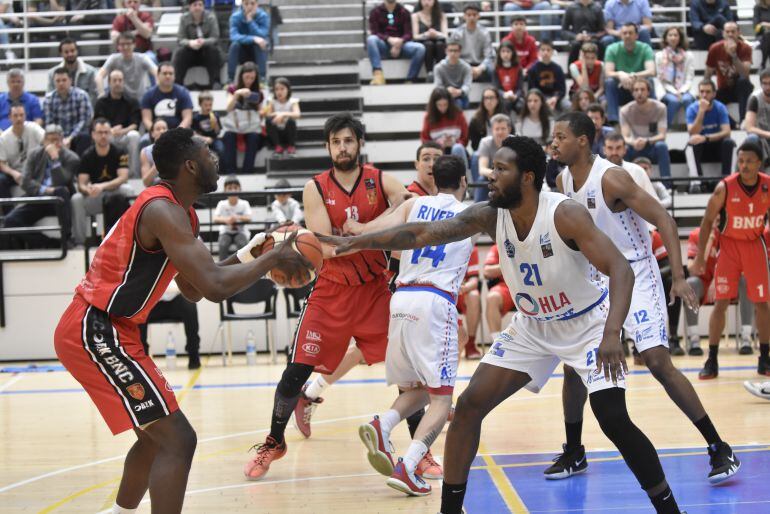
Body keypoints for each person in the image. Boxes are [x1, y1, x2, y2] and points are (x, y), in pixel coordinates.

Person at [320, 134, 686, 514]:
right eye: (492, 167)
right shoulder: (490, 214)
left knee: (613, 419)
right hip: (532, 326)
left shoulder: (565, 214)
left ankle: (669, 508)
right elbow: (422, 233)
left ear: (527, 177)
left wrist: (612, 334)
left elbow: (621, 269)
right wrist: (360, 242)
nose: (490, 176)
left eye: (500, 168)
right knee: (467, 409)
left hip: (586, 325)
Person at [54, 127, 311, 514]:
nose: (216, 158)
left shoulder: (181, 214)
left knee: (156, 439)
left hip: (112, 329)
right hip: (95, 327)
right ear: (190, 165)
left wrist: (250, 253)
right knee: (179, 439)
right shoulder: (162, 210)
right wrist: (273, 258)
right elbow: (214, 287)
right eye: (208, 153)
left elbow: (194, 288)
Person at [552, 111, 738, 486]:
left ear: (583, 141)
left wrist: (680, 277)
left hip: (635, 271)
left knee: (656, 360)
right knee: (574, 368)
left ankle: (718, 445)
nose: (553, 143)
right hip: (596, 279)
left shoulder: (613, 178)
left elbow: (665, 220)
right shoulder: (561, 179)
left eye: (560, 136)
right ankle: (574, 450)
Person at [242, 113, 411, 481]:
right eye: (336, 142)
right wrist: (373, 234)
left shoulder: (380, 179)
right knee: (295, 373)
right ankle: (274, 441)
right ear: (327, 147)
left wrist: (368, 228)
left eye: (349, 141)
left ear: (359, 144)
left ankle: (418, 453)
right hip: (331, 291)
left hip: (374, 291)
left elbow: (407, 204)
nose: (343, 147)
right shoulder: (315, 187)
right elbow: (326, 247)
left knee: (405, 372)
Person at [349, 155, 472, 496]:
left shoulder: (415, 204)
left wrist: (356, 230)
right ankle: (409, 464)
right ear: (463, 181)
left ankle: (383, 423)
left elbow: (377, 229)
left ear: (434, 180)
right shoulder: (471, 212)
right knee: (442, 399)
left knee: (419, 388)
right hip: (434, 302)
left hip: (401, 298)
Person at [692, 142, 770, 380]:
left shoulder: (767, 185)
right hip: (729, 247)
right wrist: (699, 258)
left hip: (755, 245)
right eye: (741, 160)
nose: (744, 165)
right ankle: (712, 359)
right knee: (721, 302)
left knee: (762, 304)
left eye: (749, 161)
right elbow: (706, 221)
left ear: (759, 162)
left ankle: (764, 358)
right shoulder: (724, 187)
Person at [684, 218, 755, 356]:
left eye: (718, 220)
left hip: (726, 280)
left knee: (745, 281)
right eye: (712, 220)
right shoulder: (695, 235)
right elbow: (693, 269)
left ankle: (746, 337)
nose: (715, 223)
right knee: (690, 283)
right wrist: (708, 242)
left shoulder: (728, 236)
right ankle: (694, 339)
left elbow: (735, 266)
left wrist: (716, 281)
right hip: (703, 283)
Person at [2, 124, 77, 248]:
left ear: (62, 140)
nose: (53, 144)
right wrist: (45, 189)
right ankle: (52, 244)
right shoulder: (34, 154)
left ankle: (67, 237)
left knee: (61, 191)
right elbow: (25, 181)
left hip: (60, 202)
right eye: (50, 140)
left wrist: (55, 159)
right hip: (39, 198)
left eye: (57, 140)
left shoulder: (71, 158)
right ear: (44, 141)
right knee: (10, 221)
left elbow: (61, 181)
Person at [71, 119, 134, 245]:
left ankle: (131, 237)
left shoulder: (120, 151)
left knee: (128, 190)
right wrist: (87, 189)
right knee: (76, 199)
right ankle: (80, 243)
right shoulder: (87, 155)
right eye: (100, 132)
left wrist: (101, 186)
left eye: (106, 132)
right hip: (97, 196)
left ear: (110, 134)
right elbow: (81, 184)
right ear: (93, 135)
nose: (103, 136)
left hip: (115, 191)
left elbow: (123, 177)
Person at [685, 79, 736, 193]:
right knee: (691, 144)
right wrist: (701, 112)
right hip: (701, 149)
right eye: (702, 91)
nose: (704, 95)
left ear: (714, 93)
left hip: (717, 146)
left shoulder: (720, 107)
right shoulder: (692, 109)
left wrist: (706, 138)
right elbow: (693, 132)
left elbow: (727, 132)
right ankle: (697, 183)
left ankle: (728, 180)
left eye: (707, 92)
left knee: (730, 143)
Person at [619, 78, 671, 182]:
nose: (639, 93)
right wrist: (634, 142)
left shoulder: (660, 107)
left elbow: (662, 135)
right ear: (632, 93)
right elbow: (626, 137)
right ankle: (625, 185)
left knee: (662, 146)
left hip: (652, 145)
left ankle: (667, 185)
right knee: (624, 149)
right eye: (636, 90)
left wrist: (646, 141)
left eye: (642, 89)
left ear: (648, 92)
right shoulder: (625, 110)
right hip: (635, 146)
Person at [138, 284, 201, 369]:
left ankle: (193, 354)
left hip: (175, 302)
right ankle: (142, 358)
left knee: (190, 305)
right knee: (139, 308)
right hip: (153, 303)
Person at [603, 22, 655, 124]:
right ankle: (613, 121)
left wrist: (633, 76)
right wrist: (620, 74)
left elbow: (651, 71)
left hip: (639, 88)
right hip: (621, 88)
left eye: (630, 33)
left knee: (650, 81)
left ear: (636, 35)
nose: (627, 36)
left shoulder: (645, 48)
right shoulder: (612, 49)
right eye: (624, 33)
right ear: (621, 35)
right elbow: (608, 72)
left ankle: (652, 118)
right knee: (609, 82)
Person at [94, 69, 142, 179]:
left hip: (126, 134)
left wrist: (122, 131)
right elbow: (97, 123)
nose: (117, 83)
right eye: (114, 80)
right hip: (107, 133)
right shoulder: (101, 102)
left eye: (120, 80)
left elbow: (135, 124)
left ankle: (133, 174)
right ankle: (108, 175)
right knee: (102, 136)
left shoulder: (132, 101)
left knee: (134, 135)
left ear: (123, 82)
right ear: (109, 82)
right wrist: (110, 131)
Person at [366, 0, 425, 85]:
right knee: (371, 39)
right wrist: (388, 39)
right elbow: (375, 32)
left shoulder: (404, 12)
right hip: (384, 45)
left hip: (402, 45)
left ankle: (410, 79)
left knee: (420, 48)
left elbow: (408, 33)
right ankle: (378, 75)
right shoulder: (375, 12)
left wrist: (400, 42)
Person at [705, 22, 754, 123]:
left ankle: (744, 120)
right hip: (724, 89)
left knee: (743, 81)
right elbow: (708, 73)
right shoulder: (715, 48)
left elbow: (744, 73)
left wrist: (734, 56)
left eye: (733, 31)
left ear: (738, 33)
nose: (730, 34)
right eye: (727, 32)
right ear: (723, 33)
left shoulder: (745, 48)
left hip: (742, 89)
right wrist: (704, 90)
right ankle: (730, 123)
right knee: (710, 100)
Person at [222, 62, 263, 174]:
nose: (249, 80)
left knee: (254, 137)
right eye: (246, 77)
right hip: (234, 126)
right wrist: (237, 94)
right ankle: (231, 172)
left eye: (252, 78)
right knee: (228, 136)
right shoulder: (232, 89)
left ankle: (247, 171)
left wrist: (252, 97)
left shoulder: (258, 91)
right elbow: (228, 108)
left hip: (251, 127)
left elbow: (261, 110)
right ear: (241, 76)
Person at [43, 68, 94, 156]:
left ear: (70, 81)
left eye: (64, 80)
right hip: (57, 136)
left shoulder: (82, 96)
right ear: (54, 82)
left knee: (85, 137)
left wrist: (70, 138)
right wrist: (60, 140)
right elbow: (49, 124)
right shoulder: (48, 99)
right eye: (58, 81)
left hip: (77, 136)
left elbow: (84, 122)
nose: (61, 83)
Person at [0, 104, 45, 202]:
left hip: (35, 170)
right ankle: (9, 213)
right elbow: (1, 163)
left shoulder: (34, 128)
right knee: (1, 180)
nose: (19, 118)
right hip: (17, 172)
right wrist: (13, 173)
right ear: (9, 118)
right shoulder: (3, 138)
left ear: (25, 116)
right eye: (15, 116)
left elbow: (46, 141)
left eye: (21, 115)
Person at [175, 0, 223, 90]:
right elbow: (180, 39)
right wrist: (190, 43)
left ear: (204, 6)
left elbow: (215, 37)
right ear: (190, 7)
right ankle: (177, 84)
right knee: (181, 52)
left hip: (206, 52)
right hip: (190, 51)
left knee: (213, 50)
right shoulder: (184, 18)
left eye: (200, 5)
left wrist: (203, 42)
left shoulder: (211, 17)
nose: (197, 7)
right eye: (195, 5)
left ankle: (216, 83)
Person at [96, 32, 158, 101]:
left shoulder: (142, 58)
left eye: (128, 44)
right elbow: (99, 76)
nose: (125, 47)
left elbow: (157, 72)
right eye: (122, 44)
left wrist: (157, 92)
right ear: (118, 46)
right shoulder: (113, 59)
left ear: (134, 45)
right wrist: (101, 94)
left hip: (139, 99)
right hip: (119, 100)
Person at [141, 64, 194, 141]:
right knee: (144, 140)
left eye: (170, 73)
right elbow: (146, 119)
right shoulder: (148, 94)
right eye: (165, 73)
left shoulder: (183, 92)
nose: (168, 76)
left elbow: (188, 118)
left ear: (174, 76)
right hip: (155, 134)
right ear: (158, 75)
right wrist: (156, 132)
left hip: (178, 133)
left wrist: (177, 133)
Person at [420, 87, 469, 170]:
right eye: (439, 105)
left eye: (445, 105)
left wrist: (453, 142)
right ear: (434, 105)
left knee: (458, 148)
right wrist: (439, 144)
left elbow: (465, 138)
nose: (443, 108)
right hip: (438, 151)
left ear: (449, 103)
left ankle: (462, 179)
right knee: (434, 154)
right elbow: (425, 140)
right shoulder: (428, 117)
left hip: (456, 149)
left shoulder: (458, 114)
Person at [656, 26, 696, 126]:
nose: (673, 38)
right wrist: (675, 92)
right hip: (666, 89)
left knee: (687, 99)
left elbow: (689, 78)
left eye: (675, 35)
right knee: (674, 101)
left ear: (680, 38)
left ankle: (693, 127)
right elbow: (662, 79)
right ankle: (665, 127)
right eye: (670, 35)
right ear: (666, 38)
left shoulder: (688, 56)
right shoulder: (660, 56)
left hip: (685, 89)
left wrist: (681, 91)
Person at [46, 38, 98, 104]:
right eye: (66, 52)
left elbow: (93, 97)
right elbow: (49, 98)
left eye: (72, 51)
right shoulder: (52, 73)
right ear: (61, 54)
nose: (70, 54)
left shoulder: (91, 72)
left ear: (77, 51)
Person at [228, 0, 269, 82]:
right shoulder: (235, 16)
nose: (249, 6)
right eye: (246, 4)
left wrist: (250, 21)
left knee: (260, 44)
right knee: (234, 45)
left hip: (257, 52)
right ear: (242, 4)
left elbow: (262, 36)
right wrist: (253, 39)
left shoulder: (263, 16)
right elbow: (233, 36)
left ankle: (262, 79)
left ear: (257, 4)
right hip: (241, 52)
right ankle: (230, 79)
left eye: (252, 3)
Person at [475, 113, 513, 201]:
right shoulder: (485, 142)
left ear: (509, 129)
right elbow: (482, 169)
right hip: (492, 175)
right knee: (481, 179)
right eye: (497, 129)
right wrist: (498, 175)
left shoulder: (515, 142)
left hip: (511, 176)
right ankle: (477, 207)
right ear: (492, 130)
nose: (500, 132)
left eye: (503, 129)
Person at [452, 3, 494, 81]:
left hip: (480, 64)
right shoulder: (457, 33)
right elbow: (454, 54)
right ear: (464, 16)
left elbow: (488, 56)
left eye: (474, 15)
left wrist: (480, 68)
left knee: (492, 69)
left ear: (478, 16)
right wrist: (467, 68)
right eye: (469, 15)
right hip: (462, 64)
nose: (471, 17)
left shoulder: (485, 32)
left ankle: (492, 92)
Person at [482, 243, 515, 342]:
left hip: (531, 285)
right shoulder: (499, 246)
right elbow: (487, 272)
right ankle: (497, 343)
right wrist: (509, 263)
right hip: (508, 286)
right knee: (492, 297)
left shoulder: (533, 242)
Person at [213, 175, 252, 256]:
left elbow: (249, 217)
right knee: (222, 244)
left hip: (241, 232)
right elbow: (215, 218)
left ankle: (243, 267)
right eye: (230, 188)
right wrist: (226, 220)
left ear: (239, 189)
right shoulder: (221, 204)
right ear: (225, 190)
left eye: (235, 187)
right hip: (225, 232)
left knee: (242, 245)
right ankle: (222, 267)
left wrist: (237, 217)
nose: (233, 190)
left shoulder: (244, 203)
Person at [527, 40, 569, 113]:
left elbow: (562, 90)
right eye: (543, 50)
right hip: (539, 98)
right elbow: (532, 89)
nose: (545, 52)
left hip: (555, 98)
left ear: (552, 52)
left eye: (548, 50)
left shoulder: (558, 68)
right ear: (538, 52)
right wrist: (543, 99)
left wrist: (555, 98)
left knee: (568, 105)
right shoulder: (533, 69)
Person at [262, 77, 300, 157]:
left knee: (291, 121)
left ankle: (291, 146)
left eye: (282, 89)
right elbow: (269, 114)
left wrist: (282, 115)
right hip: (276, 134)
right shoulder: (272, 101)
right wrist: (277, 115)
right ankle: (278, 146)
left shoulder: (293, 101)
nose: (279, 92)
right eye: (277, 89)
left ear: (288, 90)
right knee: (268, 120)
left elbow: (297, 114)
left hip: (288, 133)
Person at [411, 0, 449, 76]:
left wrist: (436, 34)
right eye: (424, 0)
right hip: (423, 42)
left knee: (440, 44)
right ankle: (430, 72)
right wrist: (426, 34)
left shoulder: (441, 15)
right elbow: (415, 36)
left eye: (429, 0)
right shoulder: (415, 16)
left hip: (439, 41)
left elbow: (445, 35)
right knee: (428, 44)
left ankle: (440, 73)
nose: (426, 2)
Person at [561, 0, 605, 64]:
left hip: (593, 39)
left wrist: (591, 36)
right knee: (575, 45)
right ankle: (571, 72)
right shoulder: (571, 8)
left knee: (600, 45)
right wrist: (575, 36)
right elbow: (564, 31)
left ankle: (600, 70)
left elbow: (602, 30)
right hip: (576, 39)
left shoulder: (597, 8)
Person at [433, 39, 472, 109]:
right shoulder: (438, 67)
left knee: (458, 103)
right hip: (444, 95)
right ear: (446, 51)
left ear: (460, 52)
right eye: (450, 50)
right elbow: (438, 86)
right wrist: (447, 91)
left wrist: (459, 91)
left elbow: (467, 85)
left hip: (461, 95)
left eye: (455, 51)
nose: (453, 53)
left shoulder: (466, 67)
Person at [746, 68, 770, 165]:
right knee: (752, 139)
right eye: (765, 83)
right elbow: (749, 128)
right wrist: (768, 134)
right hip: (761, 138)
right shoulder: (754, 98)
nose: (768, 87)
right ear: (760, 84)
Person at [492, 41, 524, 114]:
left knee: (521, 106)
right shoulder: (496, 69)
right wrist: (504, 94)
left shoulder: (518, 68)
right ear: (499, 53)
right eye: (503, 51)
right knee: (505, 105)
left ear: (512, 53)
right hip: (502, 97)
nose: (505, 54)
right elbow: (496, 88)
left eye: (508, 51)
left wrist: (515, 96)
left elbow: (520, 88)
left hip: (516, 97)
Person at [192, 91, 224, 161]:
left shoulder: (215, 115)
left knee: (221, 149)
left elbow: (218, 132)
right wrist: (204, 138)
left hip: (214, 139)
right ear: (200, 104)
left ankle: (222, 170)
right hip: (201, 139)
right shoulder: (196, 117)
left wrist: (216, 124)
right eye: (205, 105)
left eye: (210, 105)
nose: (208, 107)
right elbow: (194, 133)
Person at [141, 119, 169, 187]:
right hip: (155, 187)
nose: (162, 131)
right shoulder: (145, 152)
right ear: (152, 133)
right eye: (158, 129)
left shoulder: (177, 149)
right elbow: (146, 183)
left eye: (164, 128)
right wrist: (157, 165)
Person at [756, 0, 770, 68]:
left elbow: (762, 24)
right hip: (762, 35)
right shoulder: (758, 7)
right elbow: (756, 26)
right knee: (767, 36)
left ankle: (763, 64)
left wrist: (767, 24)